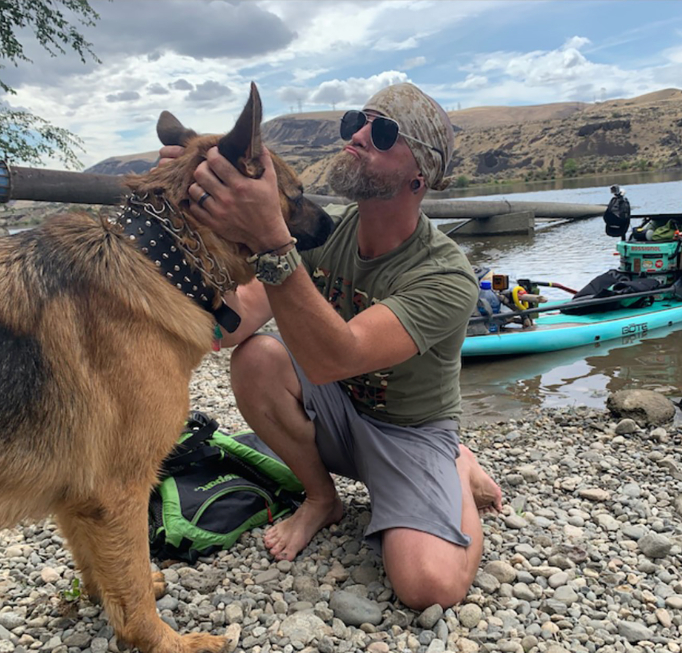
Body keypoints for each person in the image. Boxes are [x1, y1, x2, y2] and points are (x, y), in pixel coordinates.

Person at [161, 82, 502, 610]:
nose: (359, 135)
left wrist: (269, 239)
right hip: (338, 415)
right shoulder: (329, 234)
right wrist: (189, 218)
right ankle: (323, 499)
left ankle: (456, 464)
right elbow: (231, 326)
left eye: (383, 132)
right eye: (356, 122)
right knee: (256, 357)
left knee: (430, 588)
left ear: (421, 174)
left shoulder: (445, 274)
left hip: (409, 435)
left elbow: (335, 356)